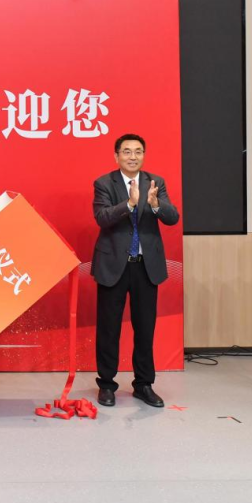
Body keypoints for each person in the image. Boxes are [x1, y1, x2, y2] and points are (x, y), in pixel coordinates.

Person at [92, 133, 180, 408]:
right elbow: (102, 218)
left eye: (138, 151)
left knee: (145, 328)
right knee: (108, 329)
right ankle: (107, 385)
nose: (133, 156)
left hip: (145, 266)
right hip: (113, 266)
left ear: (144, 155)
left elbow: (172, 217)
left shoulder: (155, 182)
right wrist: (129, 204)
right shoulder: (104, 183)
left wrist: (155, 204)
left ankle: (143, 384)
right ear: (116, 155)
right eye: (127, 151)